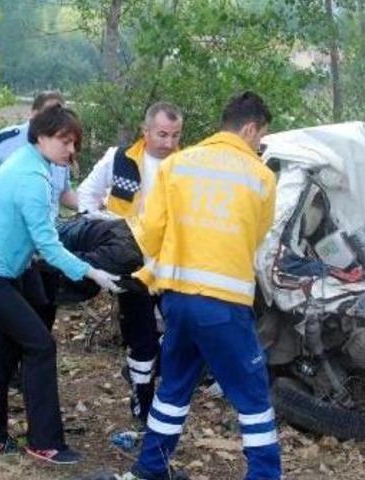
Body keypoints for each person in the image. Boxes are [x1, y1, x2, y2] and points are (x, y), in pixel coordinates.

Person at [0, 105, 123, 464]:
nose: (71, 150)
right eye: (64, 141)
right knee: (40, 345)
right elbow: (47, 244)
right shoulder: (31, 176)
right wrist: (92, 272)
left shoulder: (31, 163)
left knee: (4, 350)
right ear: (41, 137)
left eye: (74, 143)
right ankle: (45, 442)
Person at [125, 92, 280, 480]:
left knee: (174, 388)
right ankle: (264, 475)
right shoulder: (261, 176)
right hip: (224, 306)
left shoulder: (177, 164)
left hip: (177, 299)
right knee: (253, 397)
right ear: (250, 129)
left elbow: (150, 232)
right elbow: (257, 237)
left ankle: (151, 468)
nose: (260, 144)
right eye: (261, 136)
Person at [77, 101, 183, 423]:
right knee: (141, 337)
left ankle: (158, 384)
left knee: (182, 331)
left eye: (175, 135)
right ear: (145, 130)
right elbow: (86, 195)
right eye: (162, 134)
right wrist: (106, 229)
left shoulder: (187, 166)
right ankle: (142, 403)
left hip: (170, 265)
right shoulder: (119, 158)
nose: (168, 142)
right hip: (131, 267)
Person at [0, 91, 74, 333]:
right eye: (50, 113)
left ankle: (29, 355)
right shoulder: (9, 140)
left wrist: (97, 205)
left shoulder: (61, 147)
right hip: (8, 247)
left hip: (43, 244)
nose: (55, 120)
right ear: (33, 114)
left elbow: (64, 193)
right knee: (9, 323)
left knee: (42, 310)